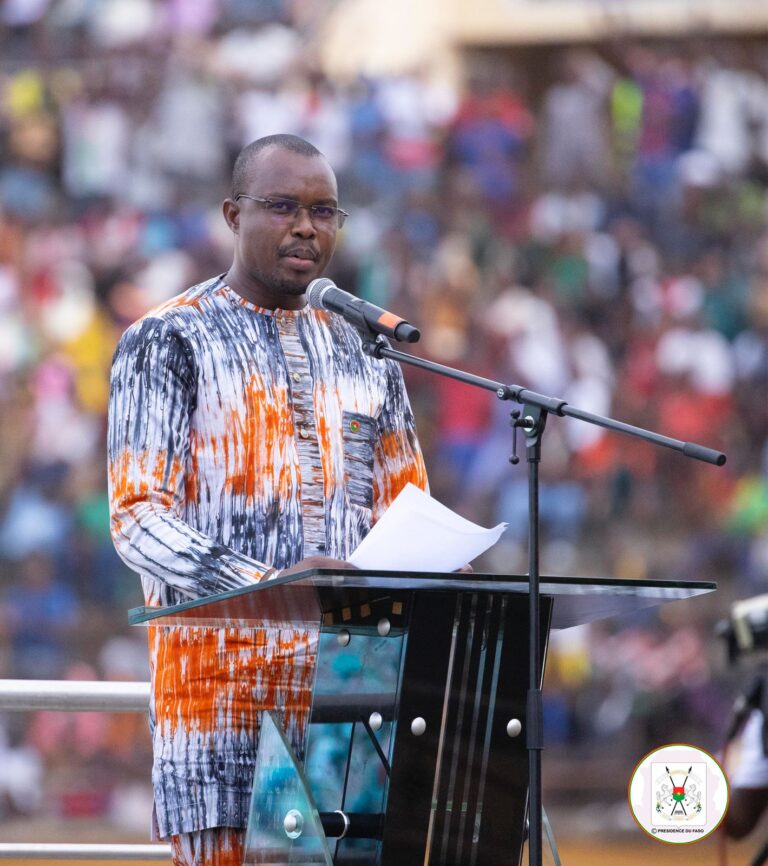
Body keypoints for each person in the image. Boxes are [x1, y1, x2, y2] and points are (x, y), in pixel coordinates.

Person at [107, 134, 428, 866]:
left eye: (324, 210)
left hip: (356, 702)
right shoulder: (167, 339)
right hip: (221, 701)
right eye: (282, 206)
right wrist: (269, 585)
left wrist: (435, 571)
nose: (306, 227)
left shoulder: (364, 350)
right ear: (232, 213)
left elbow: (406, 507)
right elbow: (137, 521)